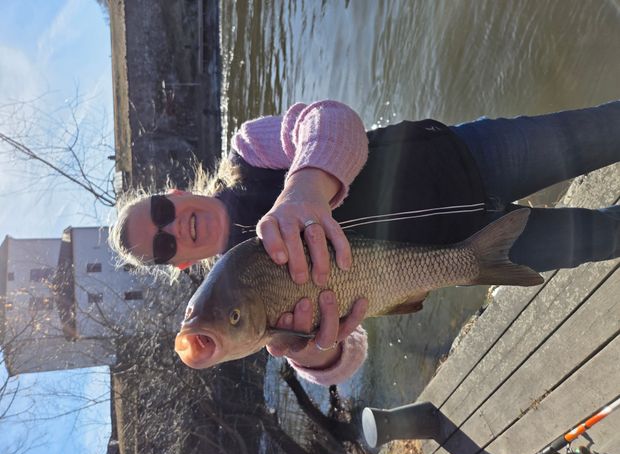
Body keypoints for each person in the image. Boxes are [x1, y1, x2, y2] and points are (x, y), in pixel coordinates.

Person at [110, 99, 620, 385]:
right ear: (177, 266)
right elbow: (351, 354)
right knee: (604, 238)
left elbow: (334, 119)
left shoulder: (247, 153)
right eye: (162, 246)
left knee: (606, 129)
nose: (172, 229)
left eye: (161, 213)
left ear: (175, 194)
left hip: (467, 156)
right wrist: (317, 352)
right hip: (467, 253)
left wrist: (305, 187)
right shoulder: (239, 310)